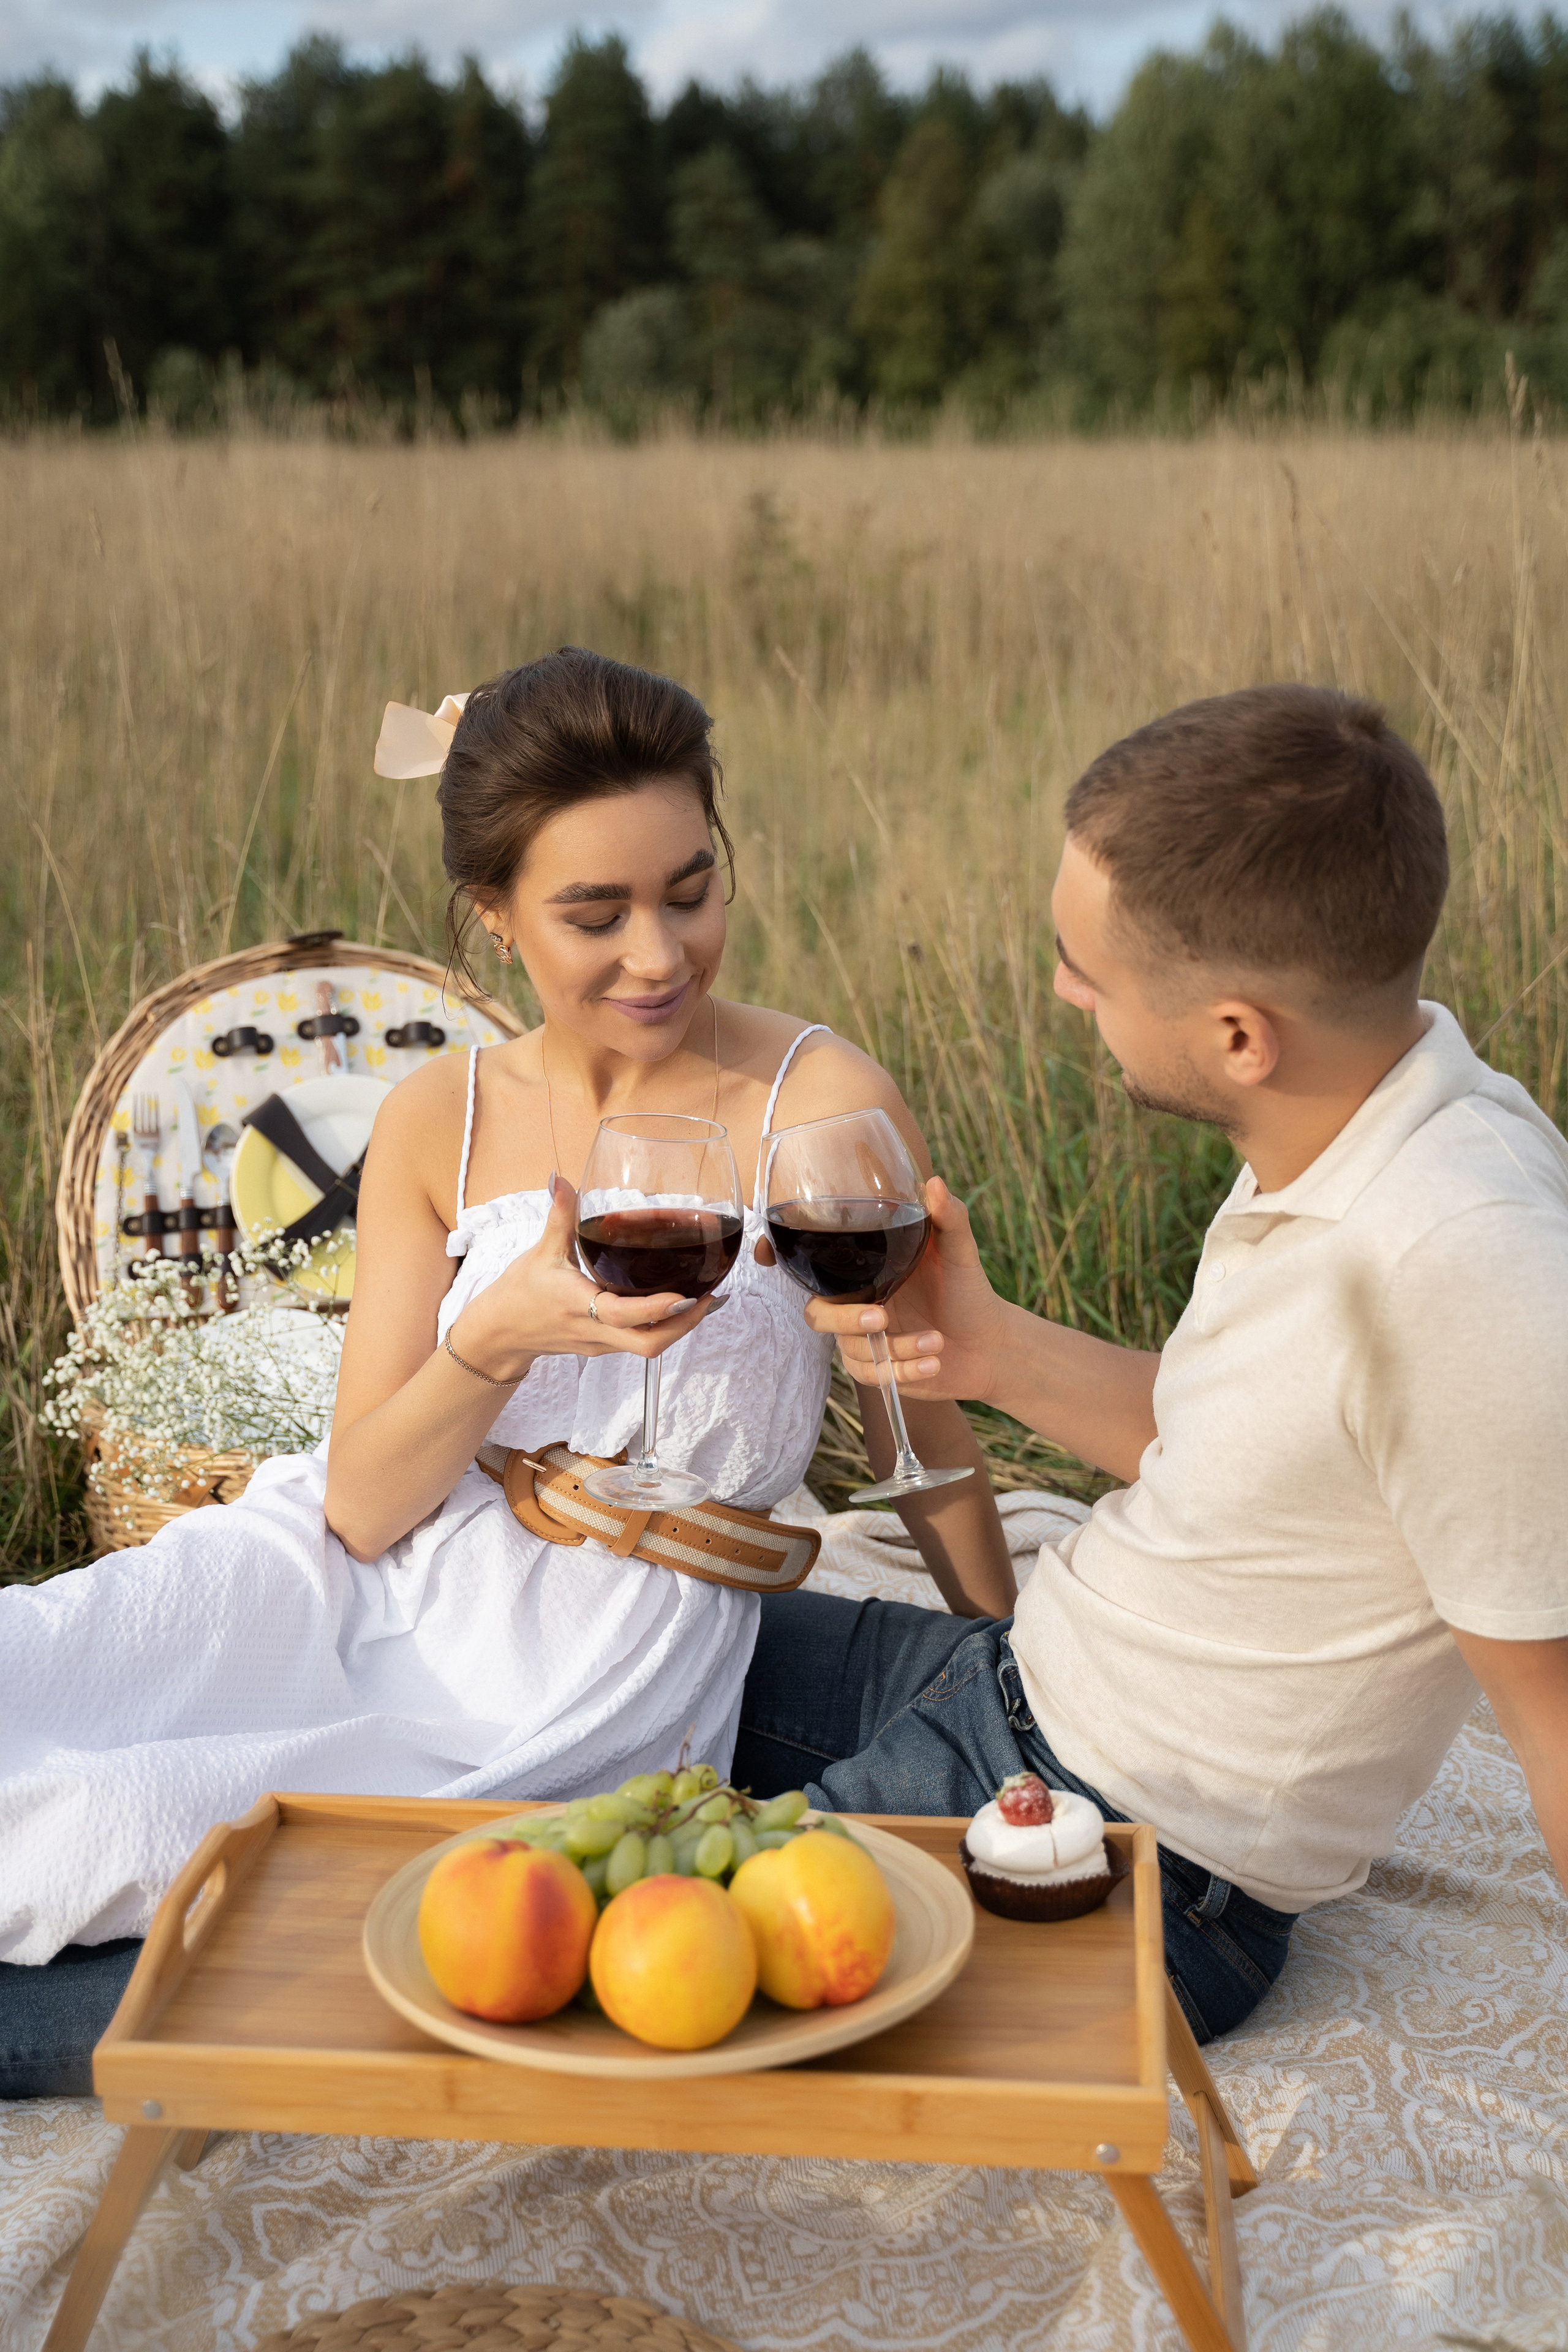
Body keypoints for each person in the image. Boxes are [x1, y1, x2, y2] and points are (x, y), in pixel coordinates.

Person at [0, 647, 1012, 2096]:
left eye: (690, 892)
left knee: (165, 1825)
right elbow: (360, 1507)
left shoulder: (817, 1108)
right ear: (493, 917)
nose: (658, 956)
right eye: (594, 916)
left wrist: (1003, 1676)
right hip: (349, 1578)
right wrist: (495, 1338)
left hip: (593, 1656)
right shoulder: (439, 1116)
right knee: (45, 1672)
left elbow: (923, 1433)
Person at [736, 683, 1568, 2044]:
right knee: (627, 1668)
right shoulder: (1372, 1112)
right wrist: (989, 1347)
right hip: (1017, 1681)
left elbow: (1552, 1722)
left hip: (1125, 1858)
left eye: (1090, 971)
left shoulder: (1465, 1270)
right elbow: (1248, 1453)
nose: (1065, 991)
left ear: (1239, 1036)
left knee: (654, 1950)